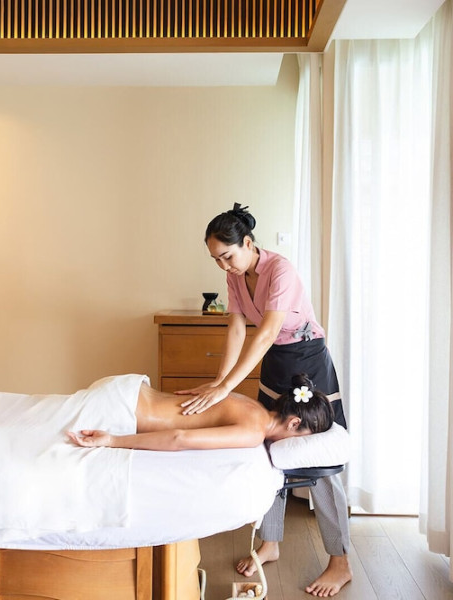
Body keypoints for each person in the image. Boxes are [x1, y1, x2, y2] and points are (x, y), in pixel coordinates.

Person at [176, 203, 352, 598]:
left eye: (227, 255)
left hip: (308, 361)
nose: (223, 266)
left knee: (319, 459)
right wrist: (218, 383)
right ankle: (270, 542)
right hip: (276, 363)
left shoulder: (280, 270)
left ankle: (340, 561)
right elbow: (237, 329)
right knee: (267, 447)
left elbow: (268, 331)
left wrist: (226, 388)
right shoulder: (236, 277)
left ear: (248, 243)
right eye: (216, 259)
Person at [69, 372, 333, 451]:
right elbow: (179, 438)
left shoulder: (254, 406)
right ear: (294, 423)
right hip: (122, 408)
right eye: (302, 437)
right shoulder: (254, 432)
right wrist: (113, 440)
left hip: (129, 388)